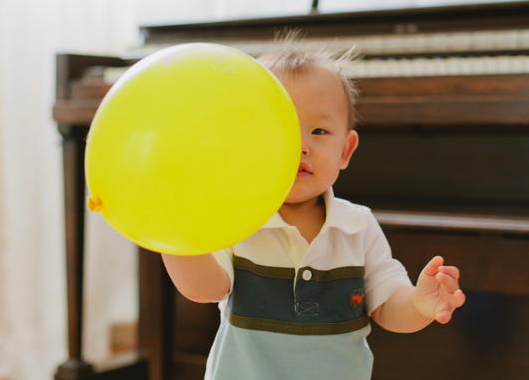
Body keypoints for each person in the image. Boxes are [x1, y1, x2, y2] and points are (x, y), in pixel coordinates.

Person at [161, 39, 465, 380]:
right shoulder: (237, 218)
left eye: (319, 131)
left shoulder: (357, 226)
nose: (301, 146)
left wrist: (419, 305)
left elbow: (388, 305)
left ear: (346, 151)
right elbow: (204, 288)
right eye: (281, 128)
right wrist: (170, 234)